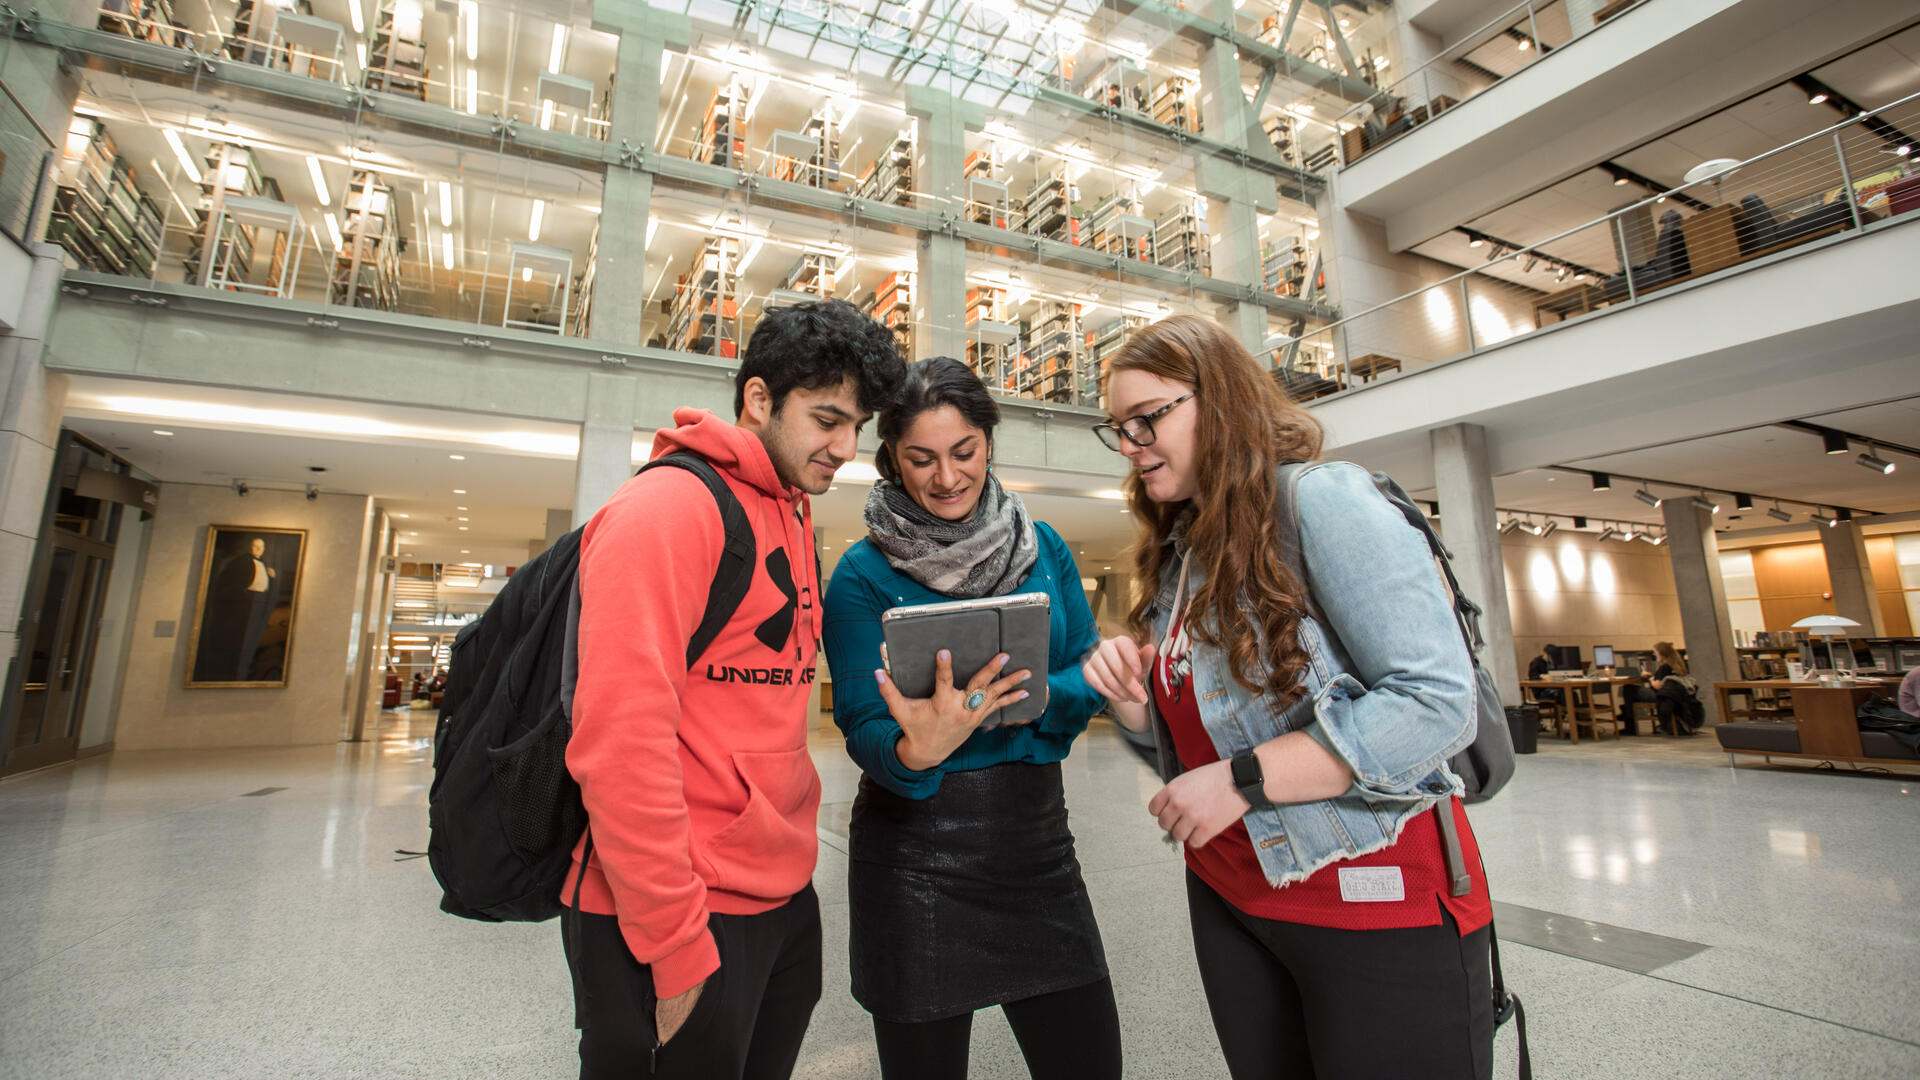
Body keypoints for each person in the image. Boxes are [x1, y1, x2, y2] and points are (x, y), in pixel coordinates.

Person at [1078, 314, 1495, 1079]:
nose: (1132, 445)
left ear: (1222, 401)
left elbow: (1436, 700)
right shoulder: (1181, 551)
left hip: (1372, 898)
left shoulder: (1323, 499)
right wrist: (1138, 708)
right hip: (1234, 894)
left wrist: (1246, 779)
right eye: (1119, 429)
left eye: (1148, 420)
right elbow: (1193, 755)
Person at [562, 299, 907, 1080]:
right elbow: (619, 741)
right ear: (758, 399)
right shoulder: (668, 509)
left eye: (856, 426)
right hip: (670, 915)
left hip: (778, 898)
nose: (845, 448)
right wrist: (676, 947)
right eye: (826, 419)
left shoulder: (789, 511)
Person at [821, 357, 1122, 1080]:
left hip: (1037, 846)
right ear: (889, 455)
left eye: (965, 452)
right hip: (913, 860)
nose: (947, 477)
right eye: (920, 458)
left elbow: (1083, 671)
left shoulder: (1042, 546)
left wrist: (1056, 699)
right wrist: (919, 749)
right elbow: (864, 726)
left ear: (989, 441)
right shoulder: (861, 575)